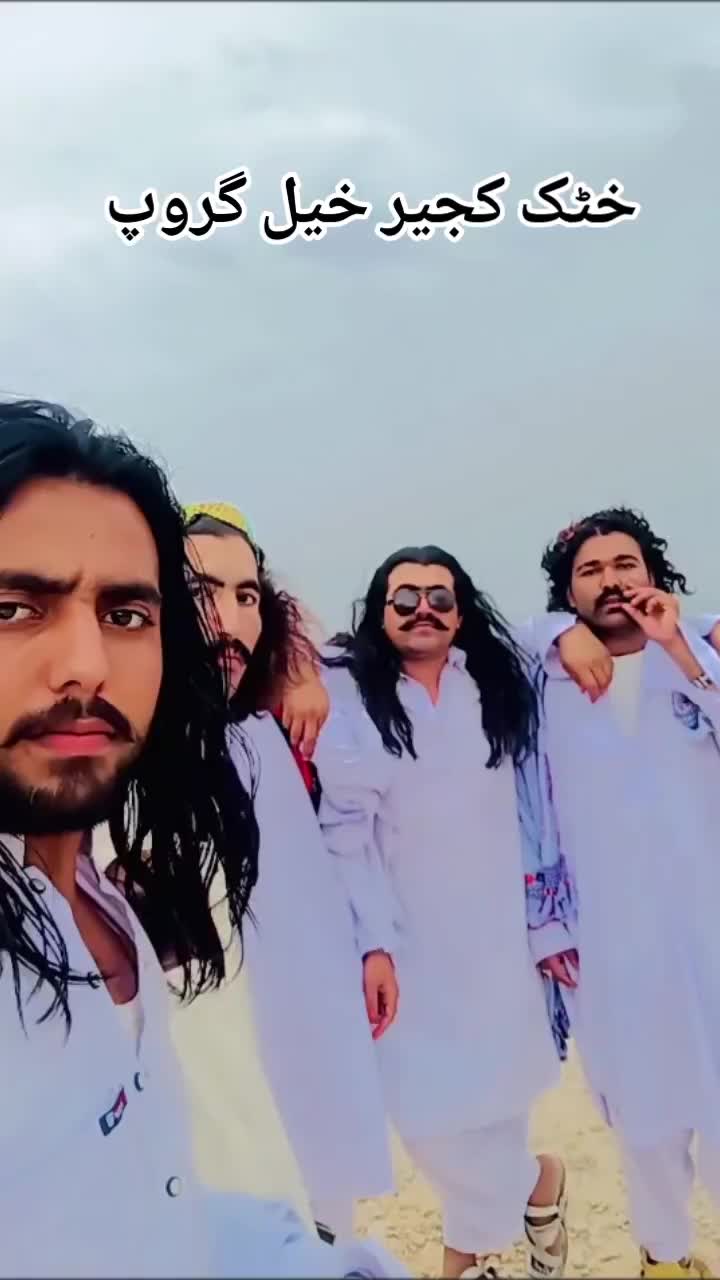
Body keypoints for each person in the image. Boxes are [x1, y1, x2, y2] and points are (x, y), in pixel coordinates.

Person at [0, 399, 405, 1280]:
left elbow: (150, 1209)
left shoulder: (103, 893)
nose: (85, 663)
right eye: (15, 607)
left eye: (125, 614)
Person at [314, 546, 570, 1280]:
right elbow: (346, 831)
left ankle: (466, 1261)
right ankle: (538, 1185)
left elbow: (557, 631)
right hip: (405, 942)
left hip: (501, 939)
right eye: (404, 598)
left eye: (439, 596)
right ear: (379, 610)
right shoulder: (348, 690)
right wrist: (372, 944)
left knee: (497, 1105)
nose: (422, 609)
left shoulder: (495, 681)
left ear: (461, 614)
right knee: (424, 1118)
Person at [171, 502, 393, 1242]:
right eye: (201, 593)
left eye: (247, 596)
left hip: (305, 1022)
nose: (231, 620)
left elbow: (346, 832)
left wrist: (372, 942)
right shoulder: (118, 762)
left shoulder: (265, 733)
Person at [531, 507, 720, 1280]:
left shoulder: (702, 644)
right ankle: (665, 1260)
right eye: (590, 571)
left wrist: (680, 649)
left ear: (653, 574)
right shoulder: (542, 676)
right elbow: (530, 810)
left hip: (710, 925)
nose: (610, 581)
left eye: (624, 565)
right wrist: (555, 634)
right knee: (644, 1118)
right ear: (568, 592)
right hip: (609, 941)